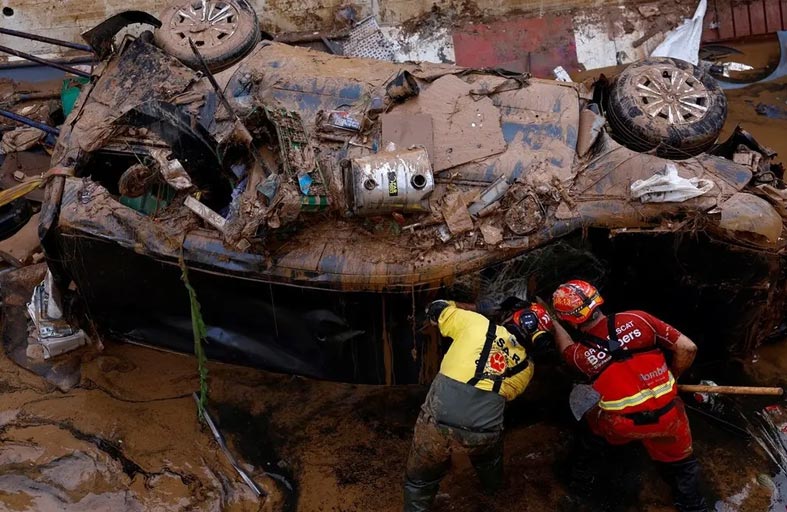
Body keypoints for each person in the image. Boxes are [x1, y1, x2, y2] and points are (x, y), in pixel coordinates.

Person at [550, 279, 707, 512]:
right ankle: (692, 506)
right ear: (597, 301)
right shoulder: (639, 318)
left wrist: (553, 322)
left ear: (570, 320)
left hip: (622, 425)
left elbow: (565, 346)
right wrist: (673, 376)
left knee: (591, 425)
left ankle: (581, 478)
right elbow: (688, 348)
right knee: (683, 466)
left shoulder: (580, 357)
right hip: (669, 416)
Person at [403, 298, 553, 512]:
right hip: (483, 434)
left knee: (420, 480)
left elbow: (436, 308)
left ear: (512, 317)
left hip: (437, 425)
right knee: (489, 455)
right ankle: (495, 490)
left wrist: (478, 308)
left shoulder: (476, 324)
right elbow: (508, 394)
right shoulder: (527, 368)